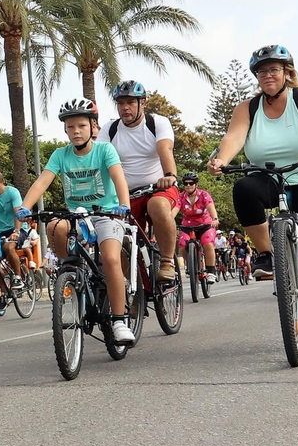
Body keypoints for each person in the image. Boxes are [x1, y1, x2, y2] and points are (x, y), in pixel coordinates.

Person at [207, 45, 298, 321]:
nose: (267, 75)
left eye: (274, 69)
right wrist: (221, 160)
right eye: (261, 71)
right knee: (243, 188)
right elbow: (234, 138)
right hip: (266, 177)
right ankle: (265, 254)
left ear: (287, 72)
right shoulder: (248, 108)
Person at [15, 99, 135, 345]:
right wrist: (25, 207)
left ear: (93, 127)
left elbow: (118, 177)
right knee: (54, 226)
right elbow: (42, 182)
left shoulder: (104, 150)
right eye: (70, 127)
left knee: (111, 258)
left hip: (107, 213)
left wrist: (125, 205)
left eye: (81, 125)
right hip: (77, 215)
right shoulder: (61, 155)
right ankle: (70, 272)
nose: (76, 131)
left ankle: (119, 321)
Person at [100, 80, 181, 281]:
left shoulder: (157, 123)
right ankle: (137, 289)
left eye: (130, 102)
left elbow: (165, 149)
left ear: (142, 103)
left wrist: (169, 175)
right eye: (120, 103)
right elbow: (98, 160)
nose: (124, 108)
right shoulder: (110, 129)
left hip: (158, 188)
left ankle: (167, 262)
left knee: (158, 206)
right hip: (126, 195)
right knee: (117, 236)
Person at [176, 171, 220, 283]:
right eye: (186, 184)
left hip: (205, 224)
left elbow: (210, 206)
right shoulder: (181, 197)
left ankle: (211, 271)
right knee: (182, 244)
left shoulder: (204, 194)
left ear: (196, 184)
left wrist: (215, 219)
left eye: (191, 183)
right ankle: (190, 265)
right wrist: (169, 219)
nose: (188, 186)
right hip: (188, 225)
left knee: (208, 244)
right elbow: (175, 209)